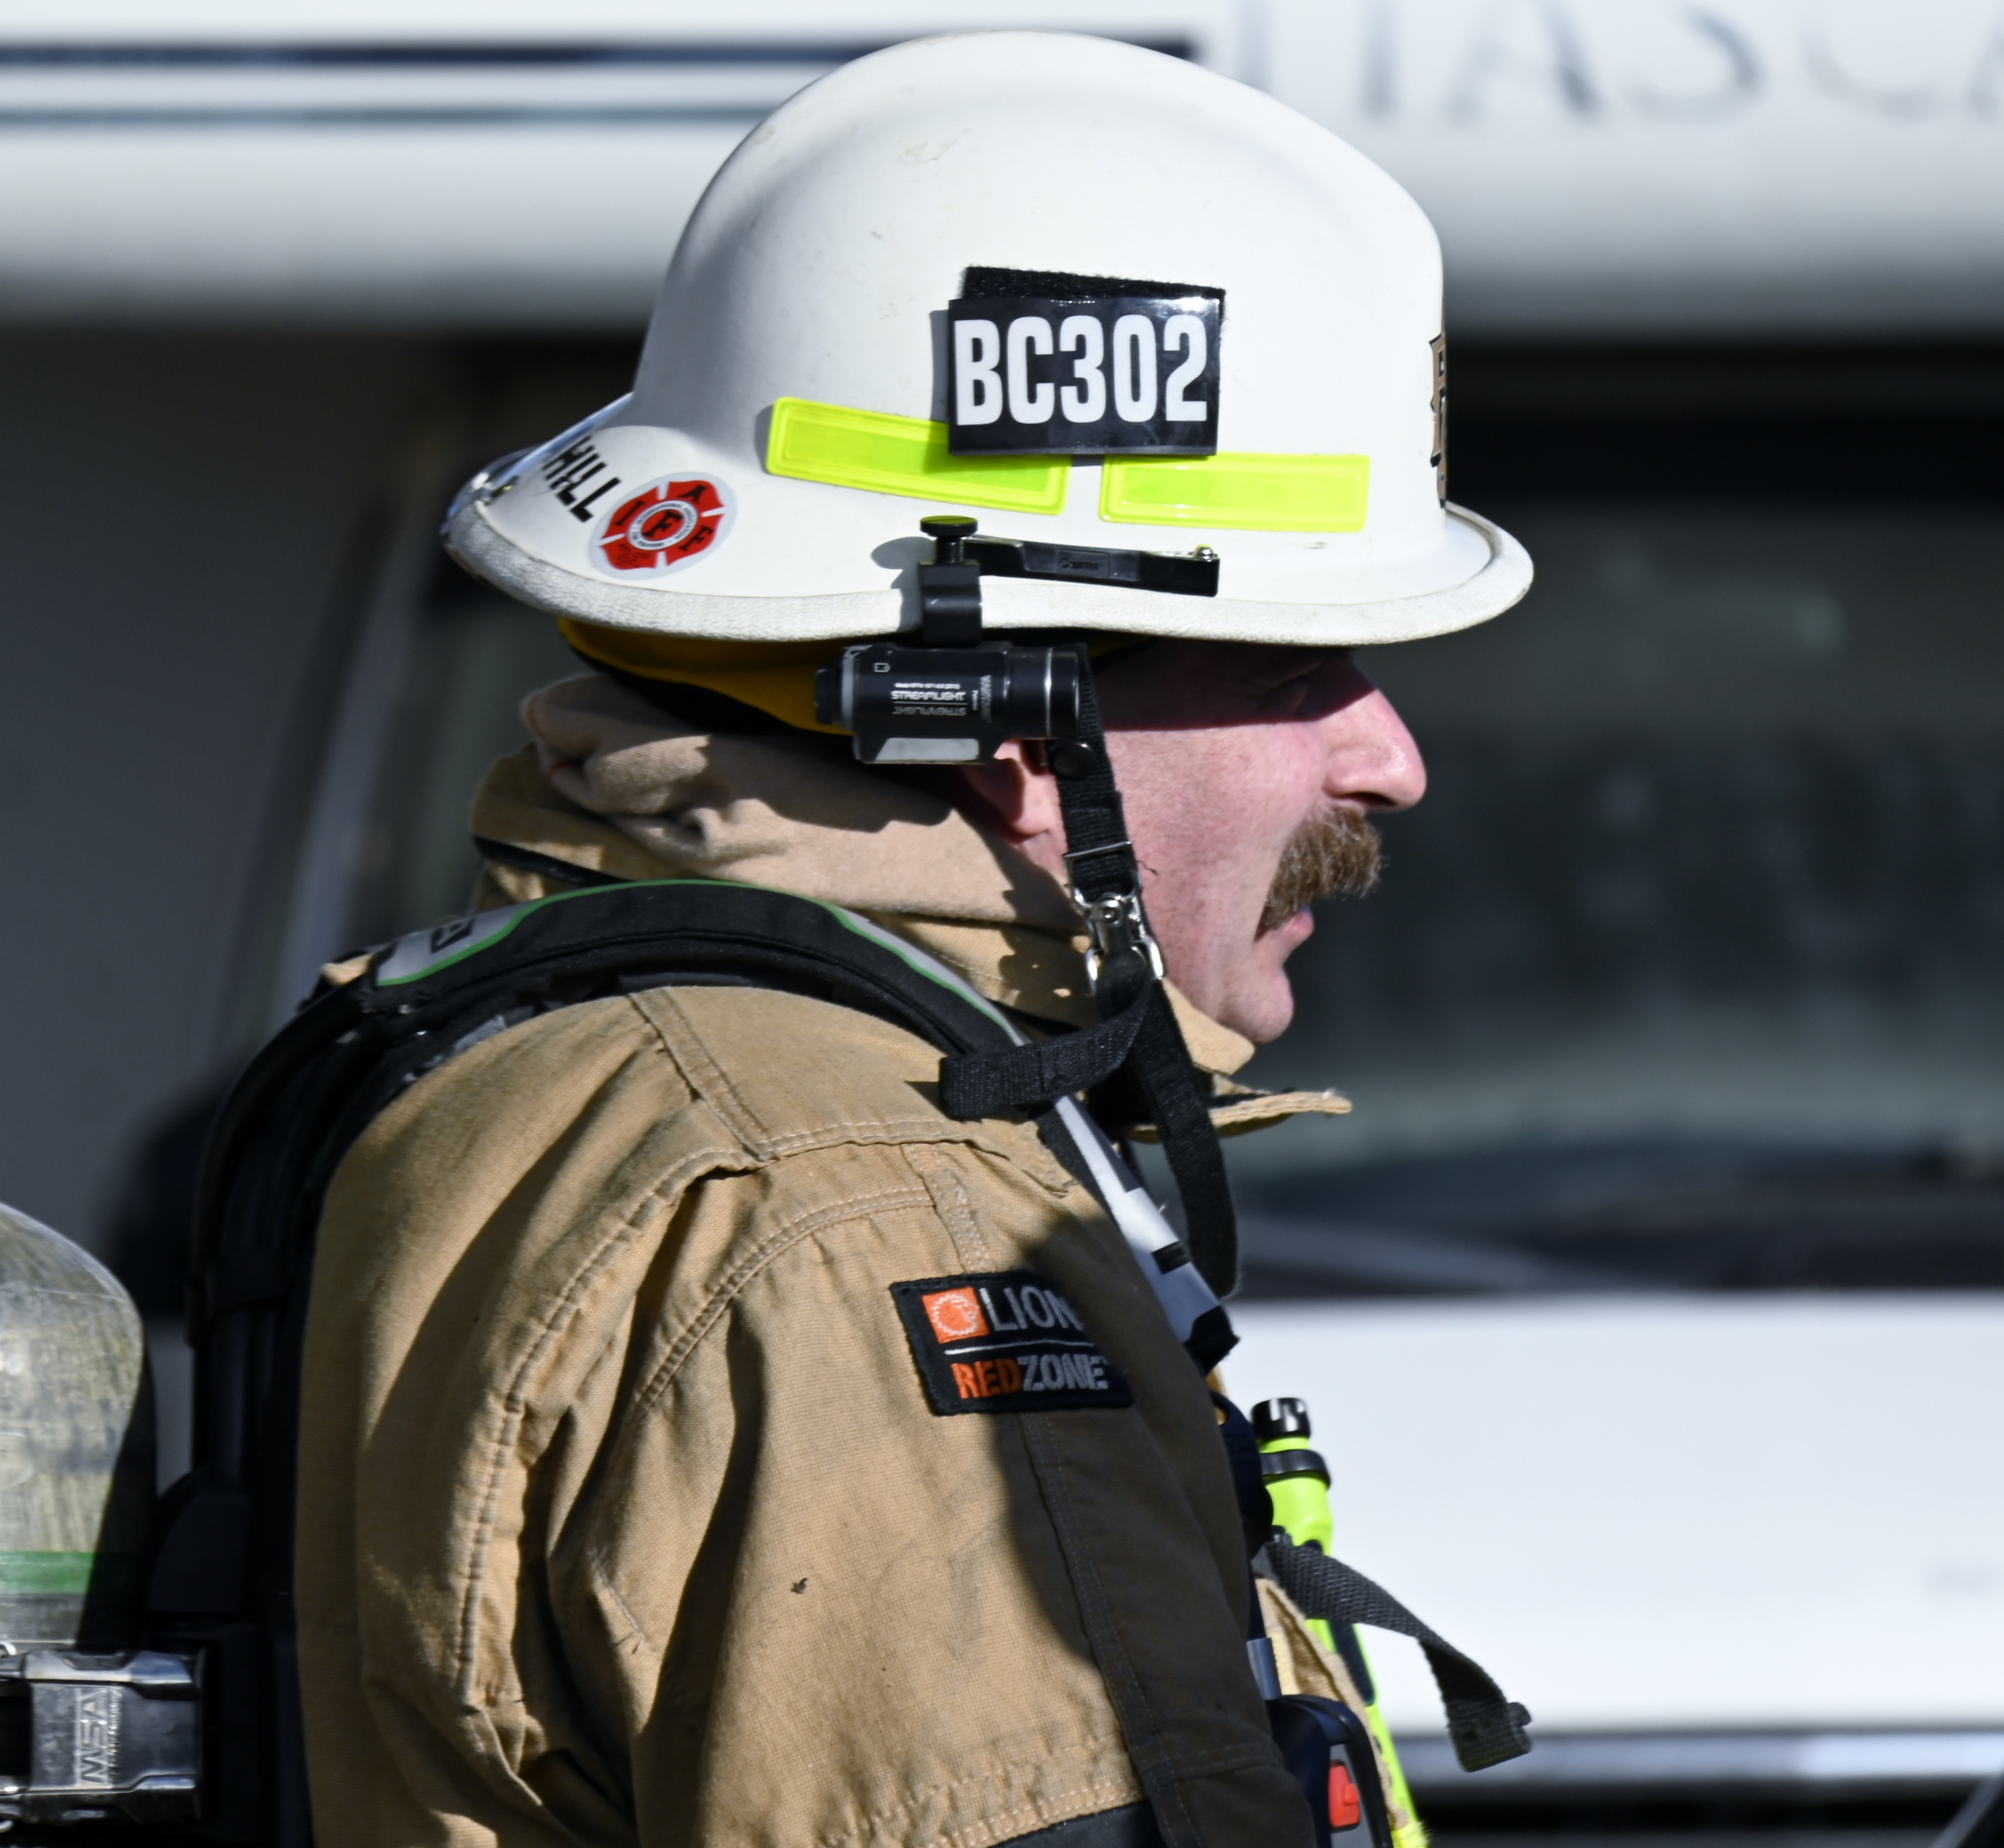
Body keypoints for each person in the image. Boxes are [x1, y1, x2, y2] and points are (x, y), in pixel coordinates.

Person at [289, 30, 1531, 1848]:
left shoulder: (555, 1065)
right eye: (1297, 666)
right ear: (1016, 723)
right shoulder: (876, 1228)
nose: (1388, 755)